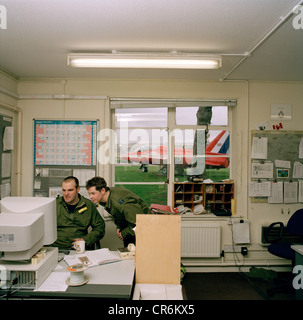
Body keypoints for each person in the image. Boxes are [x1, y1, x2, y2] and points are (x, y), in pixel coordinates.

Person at [86, 176, 152, 247]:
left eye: (93, 193)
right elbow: (120, 214)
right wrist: (119, 226)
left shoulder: (120, 202)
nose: (90, 197)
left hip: (145, 229)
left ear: (102, 190)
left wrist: (124, 233)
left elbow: (140, 223)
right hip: (132, 227)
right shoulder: (107, 197)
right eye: (89, 193)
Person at [51, 176, 105, 250]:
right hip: (57, 248)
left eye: (70, 190)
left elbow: (100, 227)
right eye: (64, 190)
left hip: (79, 248)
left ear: (78, 189)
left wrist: (85, 240)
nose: (66, 194)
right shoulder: (54, 204)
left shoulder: (88, 205)